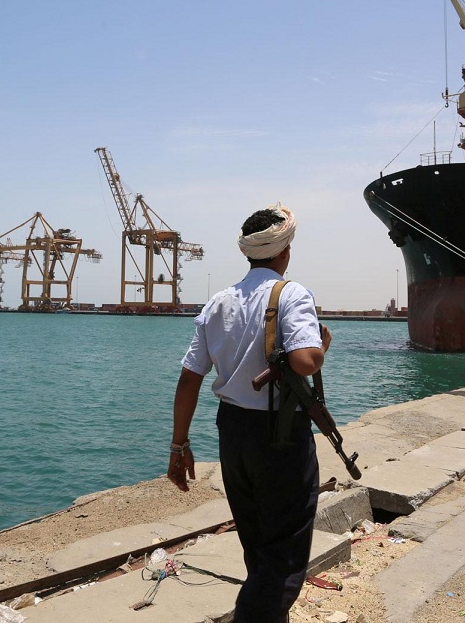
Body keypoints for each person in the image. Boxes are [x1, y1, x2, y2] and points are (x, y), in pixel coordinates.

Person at [166, 203, 331, 622]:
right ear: (285, 251)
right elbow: (305, 362)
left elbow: (189, 378)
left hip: (233, 431)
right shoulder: (292, 293)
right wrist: (321, 347)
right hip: (280, 434)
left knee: (256, 541)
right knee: (285, 553)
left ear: (248, 252)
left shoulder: (219, 302)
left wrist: (179, 445)